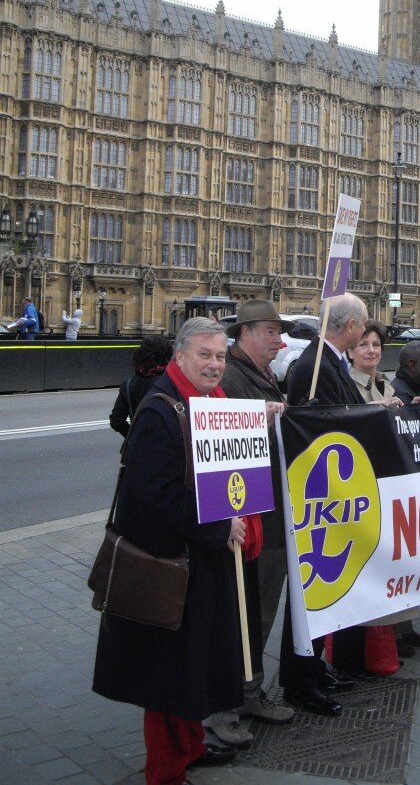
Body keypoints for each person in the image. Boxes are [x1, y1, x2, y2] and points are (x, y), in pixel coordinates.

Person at [92, 318, 244, 783]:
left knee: (193, 667)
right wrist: (219, 527)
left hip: (198, 563)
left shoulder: (210, 404)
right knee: (169, 677)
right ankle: (166, 771)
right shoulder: (161, 411)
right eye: (205, 355)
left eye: (220, 356)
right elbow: (156, 495)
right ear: (179, 356)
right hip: (170, 566)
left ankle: (191, 745)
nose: (215, 364)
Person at [203, 301, 296, 748]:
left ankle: (249, 691)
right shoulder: (233, 378)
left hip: (271, 513)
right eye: (272, 332)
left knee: (259, 611)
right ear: (247, 333)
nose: (280, 341)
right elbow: (219, 439)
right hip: (244, 517)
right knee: (236, 614)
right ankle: (221, 708)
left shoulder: (265, 374)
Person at [280, 294, 370, 716]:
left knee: (325, 593)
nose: (364, 333)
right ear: (349, 326)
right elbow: (317, 423)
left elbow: (347, 410)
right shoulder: (312, 366)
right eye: (363, 325)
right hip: (319, 494)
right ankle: (299, 682)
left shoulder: (330, 361)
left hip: (336, 493)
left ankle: (314, 667)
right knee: (311, 594)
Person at [347, 321, 420, 659]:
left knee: (401, 558)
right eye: (364, 345)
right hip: (369, 482)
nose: (371, 350)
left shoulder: (384, 383)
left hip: (394, 481)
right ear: (351, 351)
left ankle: (403, 628)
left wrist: (413, 405)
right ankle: (384, 637)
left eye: (376, 345)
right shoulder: (349, 385)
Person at [109, 336, 174, 439]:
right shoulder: (169, 382)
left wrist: (134, 437)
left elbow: (116, 420)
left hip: (136, 450)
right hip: (165, 446)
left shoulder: (128, 384)